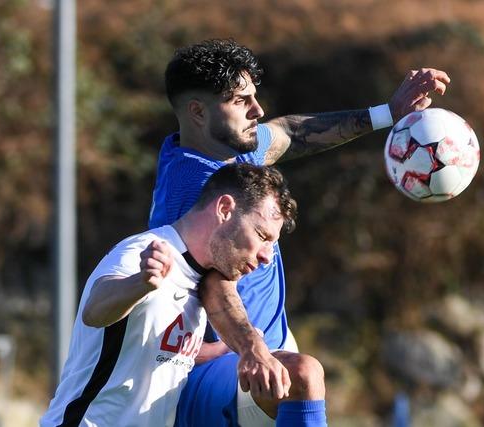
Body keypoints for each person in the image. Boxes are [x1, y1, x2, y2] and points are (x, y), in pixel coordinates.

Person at [149, 38, 451, 426]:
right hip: (213, 369)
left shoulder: (224, 149)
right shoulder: (196, 192)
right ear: (197, 112)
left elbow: (288, 132)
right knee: (303, 377)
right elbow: (214, 285)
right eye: (242, 101)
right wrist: (253, 349)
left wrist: (387, 113)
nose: (257, 110)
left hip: (258, 352)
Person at [40, 163, 297, 427]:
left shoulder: (198, 278)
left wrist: (227, 350)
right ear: (224, 209)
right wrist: (138, 284)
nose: (267, 256)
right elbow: (94, 311)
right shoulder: (144, 252)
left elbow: (158, 350)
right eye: (261, 235)